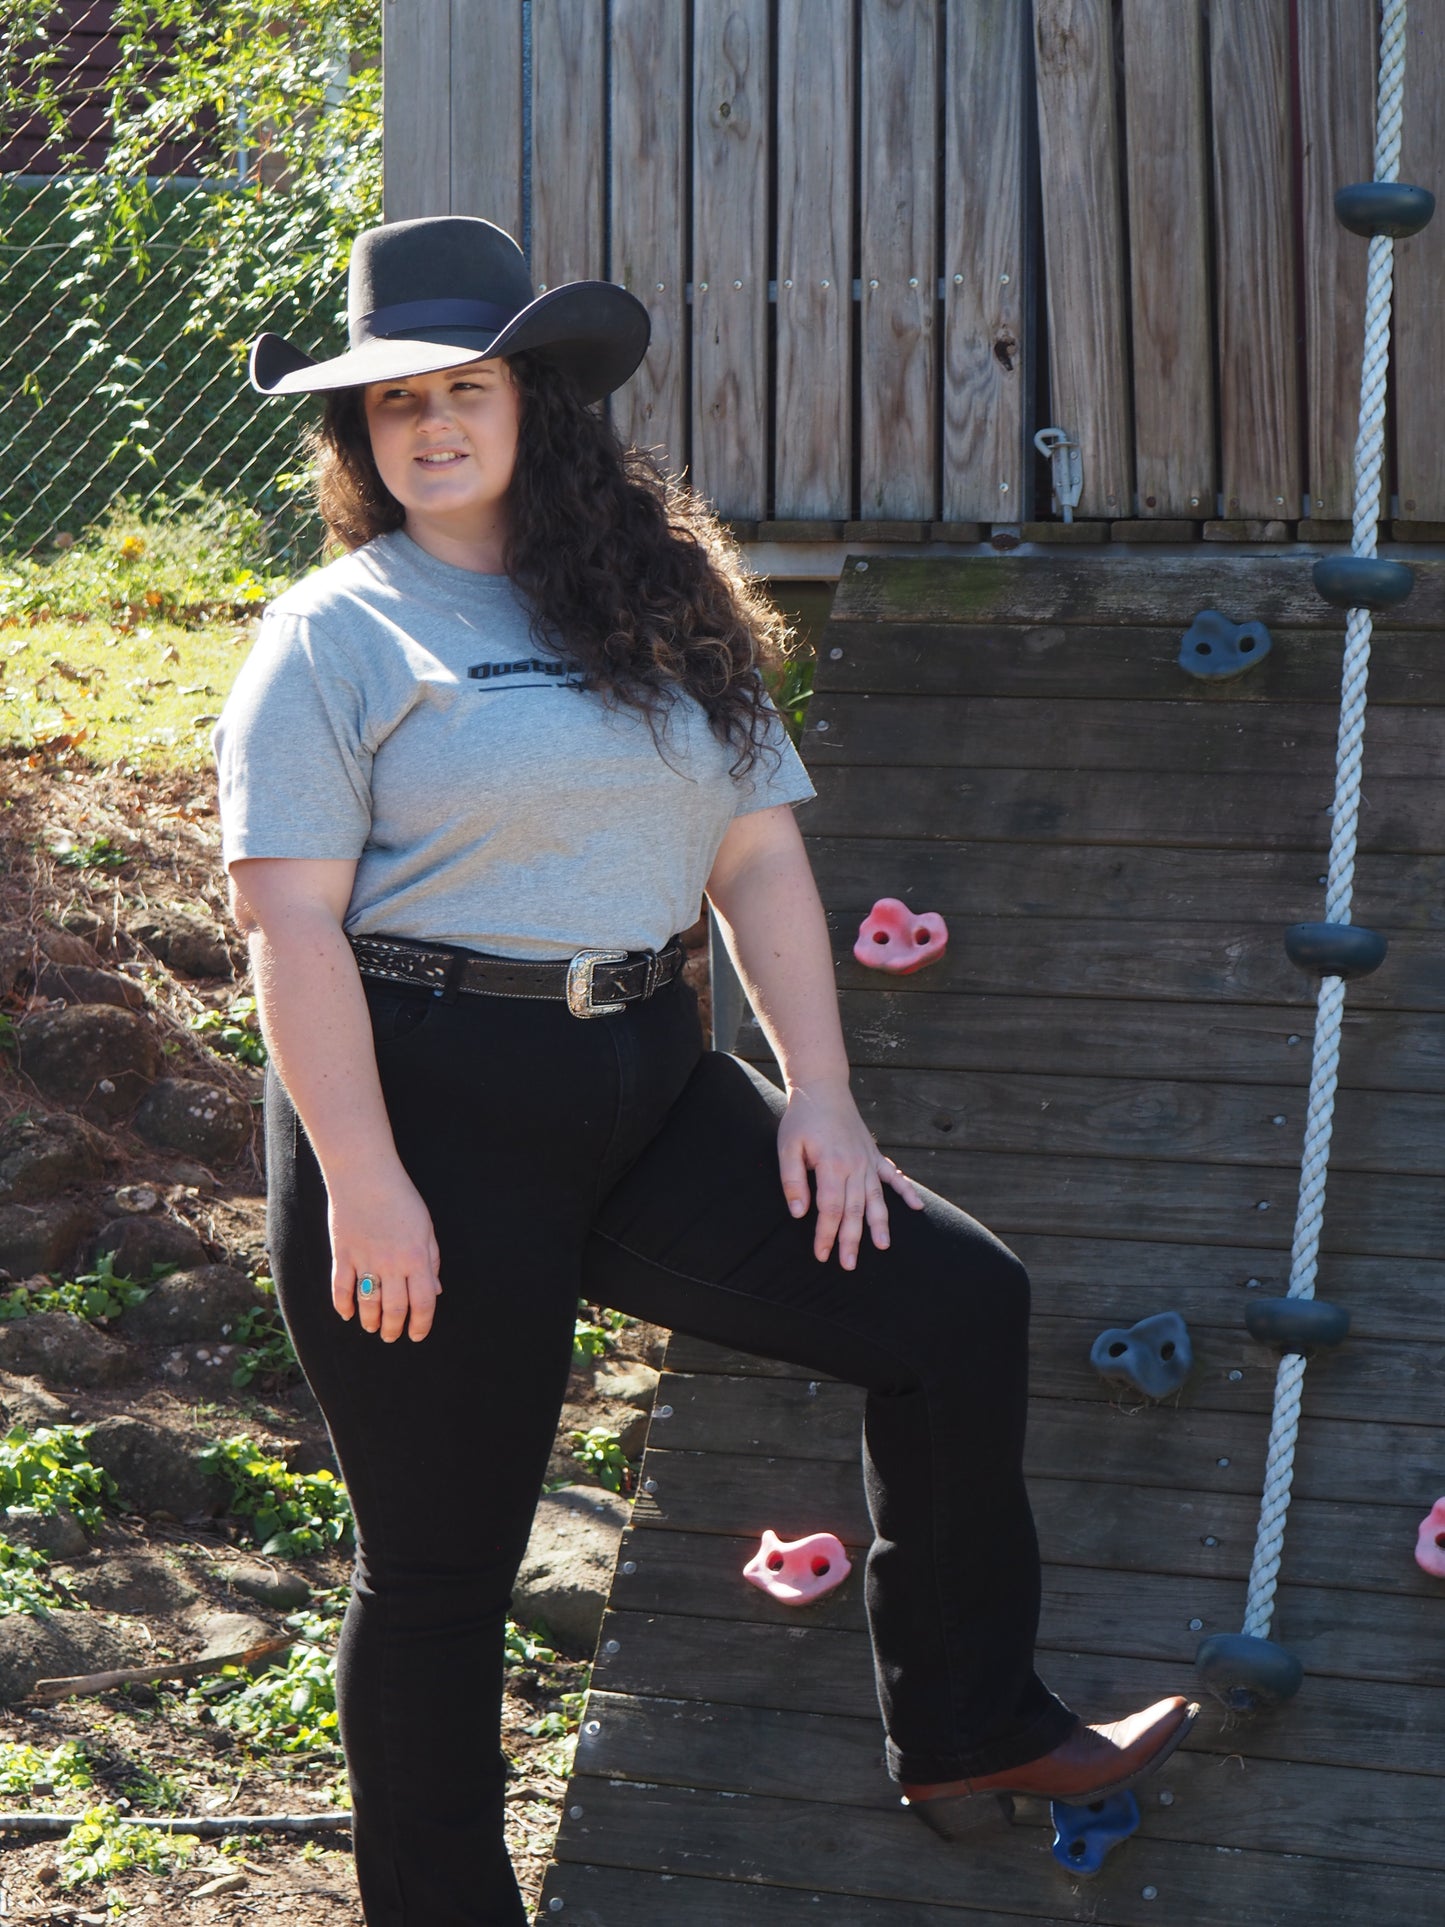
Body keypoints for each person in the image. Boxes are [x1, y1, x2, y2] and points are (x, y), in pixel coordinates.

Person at [212, 215, 1197, 1927]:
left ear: (538, 404)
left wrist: (817, 1089)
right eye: (391, 407)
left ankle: (969, 1725)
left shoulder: (657, 602)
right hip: (426, 1105)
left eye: (463, 389)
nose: (429, 428)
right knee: (445, 1572)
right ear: (356, 440)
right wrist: (364, 1177)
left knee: (951, 1304)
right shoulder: (334, 632)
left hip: (653, 1083)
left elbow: (751, 861)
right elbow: (287, 933)